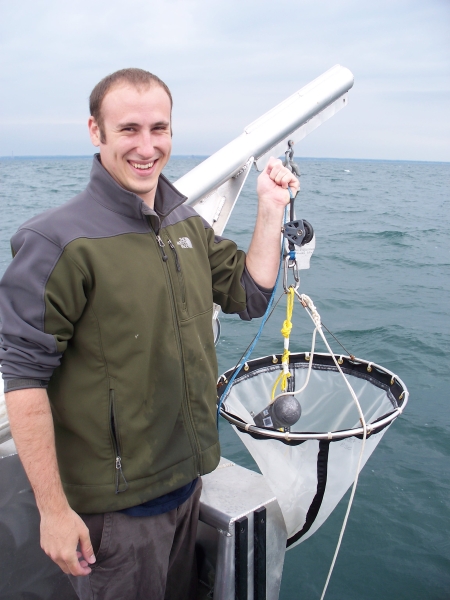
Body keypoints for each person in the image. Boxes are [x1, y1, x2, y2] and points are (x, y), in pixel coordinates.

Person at [0, 68, 299, 600]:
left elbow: (250, 294)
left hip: (186, 487)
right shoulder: (57, 241)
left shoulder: (182, 221)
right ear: (96, 132)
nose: (147, 146)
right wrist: (53, 511)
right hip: (114, 517)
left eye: (158, 129)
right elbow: (23, 380)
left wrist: (270, 209)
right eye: (129, 129)